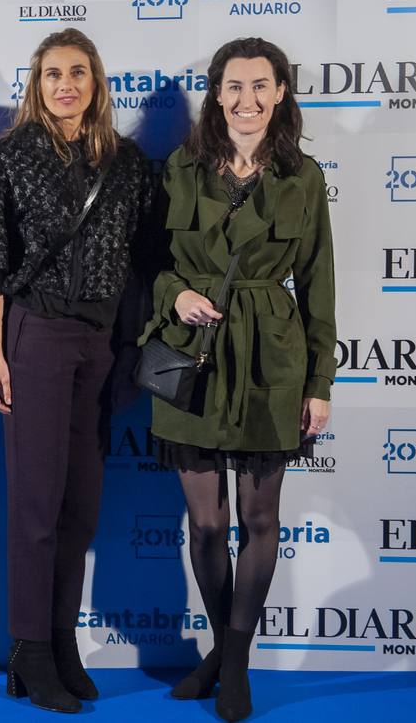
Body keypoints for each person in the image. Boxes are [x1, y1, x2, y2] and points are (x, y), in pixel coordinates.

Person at [141, 37, 334, 722]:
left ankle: (235, 661)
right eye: (233, 86)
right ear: (216, 95)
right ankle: (221, 653)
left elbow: (318, 284)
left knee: (257, 518)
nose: (246, 99)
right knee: (204, 523)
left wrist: (320, 382)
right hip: (191, 353)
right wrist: (176, 298)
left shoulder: (302, 176)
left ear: (281, 92)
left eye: (260, 86)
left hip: (269, 361)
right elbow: (153, 265)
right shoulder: (181, 166)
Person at [0, 29, 155, 713]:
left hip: (102, 344)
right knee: (35, 506)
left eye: (78, 72)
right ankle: (30, 649)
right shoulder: (12, 156)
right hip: (37, 336)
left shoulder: (129, 162)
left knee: (81, 509)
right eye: (53, 73)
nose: (66, 84)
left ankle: (62, 638)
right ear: (37, 84)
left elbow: (145, 258)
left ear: (97, 81)